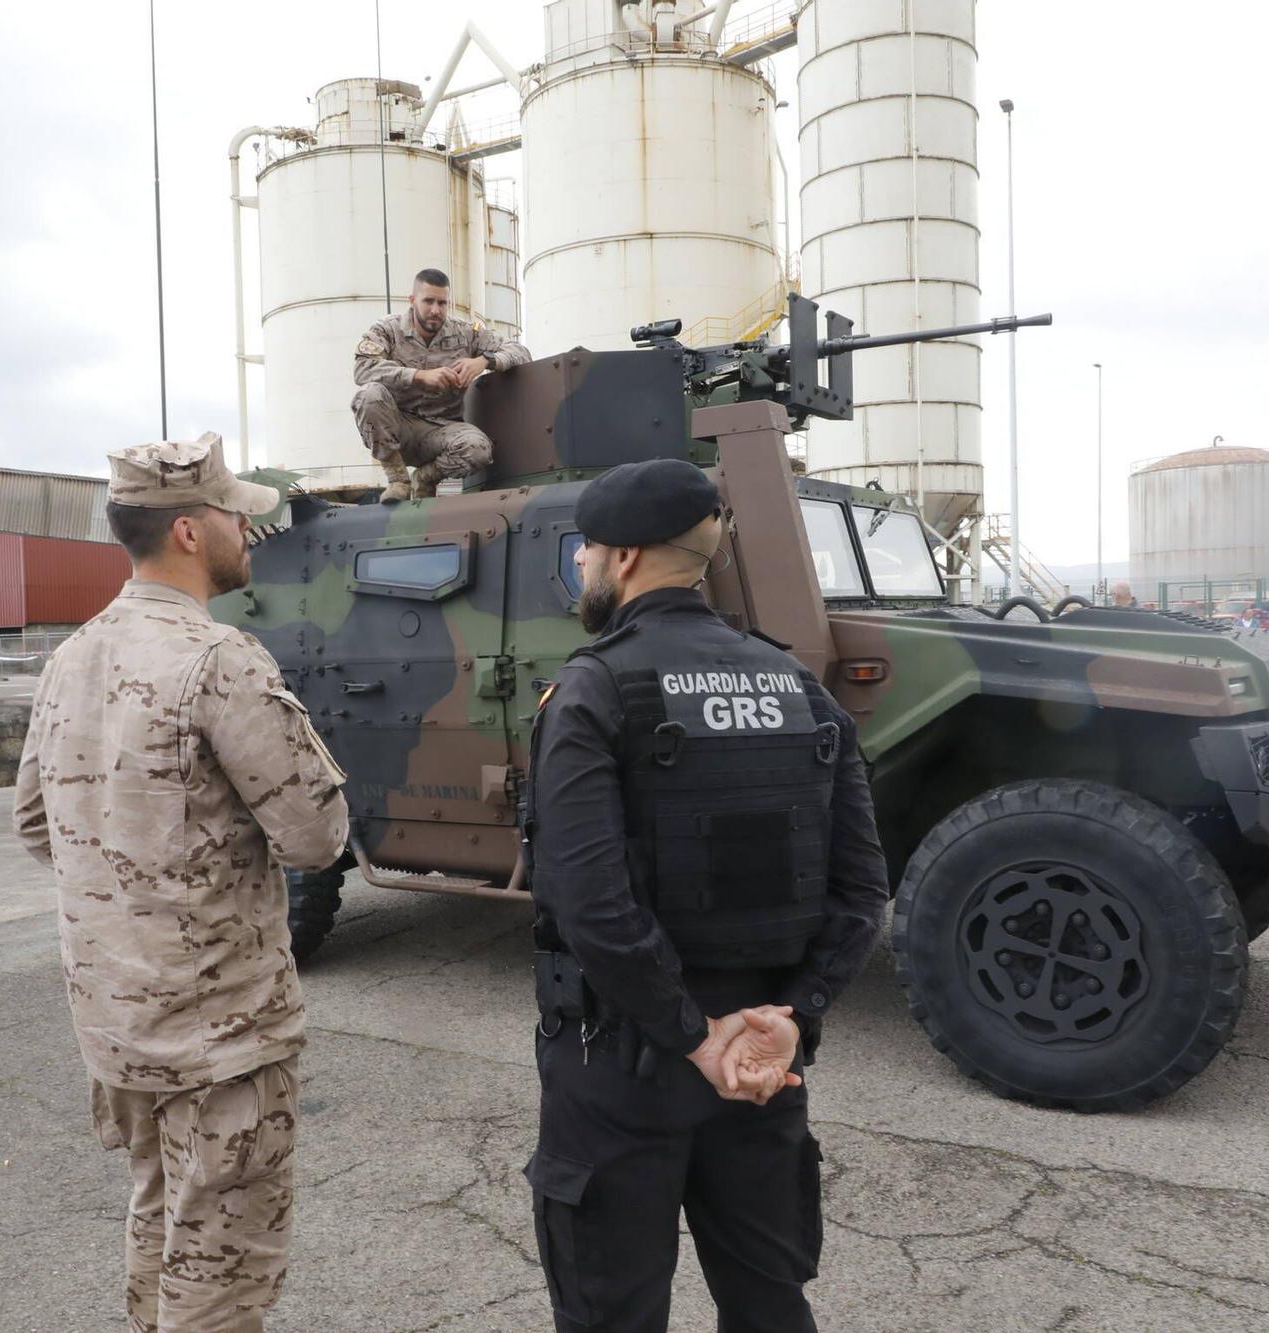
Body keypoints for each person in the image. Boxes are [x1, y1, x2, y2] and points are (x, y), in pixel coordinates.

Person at [523, 458, 887, 1332]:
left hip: (623, 1061)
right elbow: (862, 889)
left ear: (628, 558)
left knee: (613, 1312)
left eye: (587, 551)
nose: (580, 566)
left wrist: (692, 1037)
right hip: (764, 1061)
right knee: (768, 1301)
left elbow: (594, 907)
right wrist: (790, 1017)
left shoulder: (593, 688)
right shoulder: (798, 686)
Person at [13, 434, 350, 1333]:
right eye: (237, 511)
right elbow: (317, 837)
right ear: (193, 531)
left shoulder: (71, 657)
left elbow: (34, 823)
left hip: (117, 1023)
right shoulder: (220, 658)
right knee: (224, 1266)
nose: (251, 526)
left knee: (163, 1218)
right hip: (222, 1035)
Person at [351, 267, 531, 502]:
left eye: (442, 303)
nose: (435, 310)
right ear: (412, 300)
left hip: (443, 430)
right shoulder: (388, 329)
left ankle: (424, 479)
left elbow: (521, 352)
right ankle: (398, 479)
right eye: (428, 301)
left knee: (478, 450)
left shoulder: (465, 333)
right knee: (368, 395)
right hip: (399, 427)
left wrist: (483, 361)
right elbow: (363, 369)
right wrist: (418, 375)